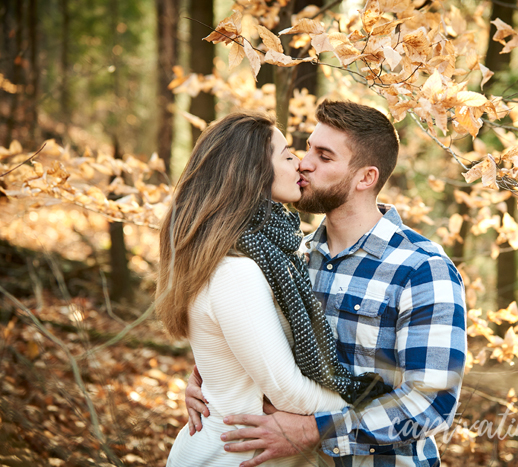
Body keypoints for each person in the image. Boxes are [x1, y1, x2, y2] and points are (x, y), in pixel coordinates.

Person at [185, 101, 468, 467]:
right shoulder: (291, 258)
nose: (304, 163)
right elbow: (253, 350)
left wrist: (318, 428)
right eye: (306, 149)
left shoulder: (421, 269)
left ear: (365, 178)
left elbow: (432, 404)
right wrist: (210, 384)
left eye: (324, 156)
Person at [157, 111, 391, 467]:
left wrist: (213, 380)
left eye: (321, 155)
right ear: (253, 172)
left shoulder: (275, 256)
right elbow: (284, 389)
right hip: (230, 455)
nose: (301, 163)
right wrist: (368, 410)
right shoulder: (240, 267)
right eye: (289, 155)